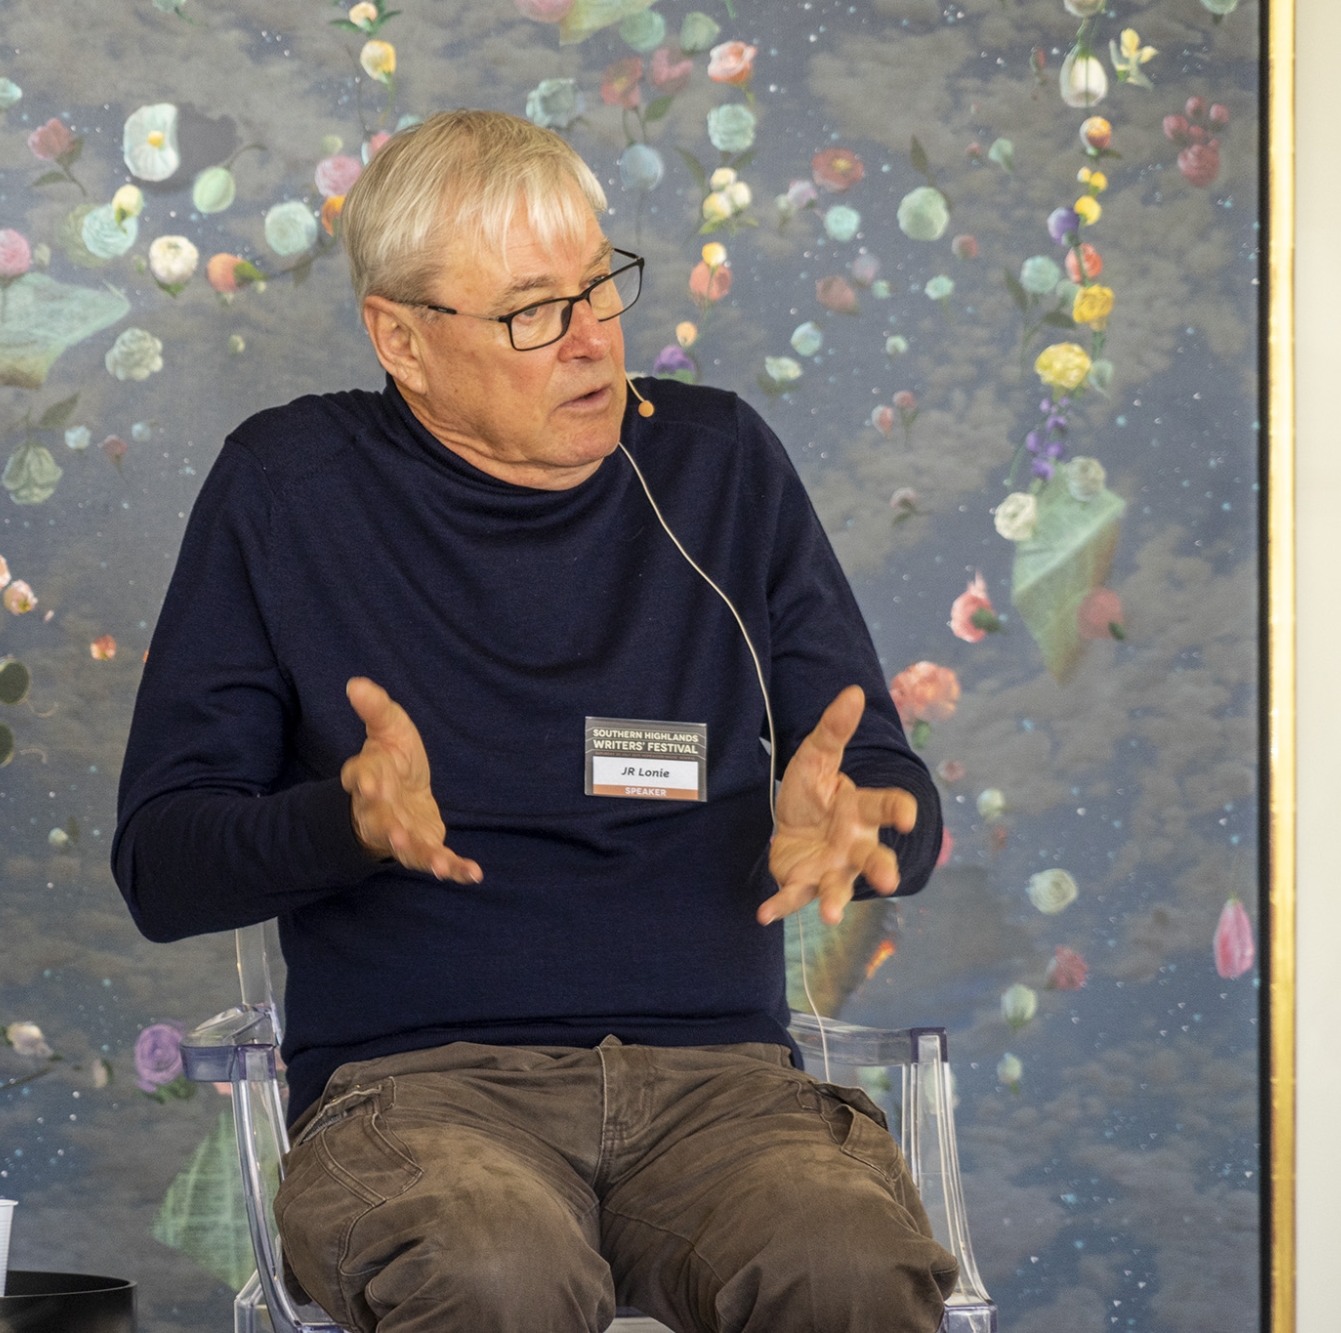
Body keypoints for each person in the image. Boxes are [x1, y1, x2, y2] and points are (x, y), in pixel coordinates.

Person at [113, 110, 958, 1333]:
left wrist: (875, 824)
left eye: (599, 286)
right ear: (401, 339)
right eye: (531, 311)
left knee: (845, 1262)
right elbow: (160, 865)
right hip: (419, 1096)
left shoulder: (718, 466)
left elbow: (875, 776)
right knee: (496, 1274)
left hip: (722, 1095)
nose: (591, 339)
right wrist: (342, 824)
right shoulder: (288, 489)